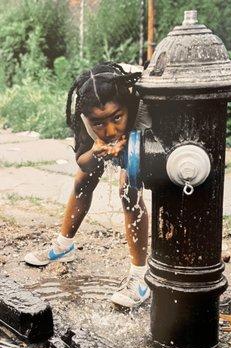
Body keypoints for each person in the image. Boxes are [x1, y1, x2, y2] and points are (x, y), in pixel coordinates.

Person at [24, 62, 151, 308]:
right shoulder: (86, 112)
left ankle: (140, 276)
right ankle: (63, 245)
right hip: (109, 124)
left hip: (149, 128)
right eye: (99, 123)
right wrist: (96, 151)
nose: (110, 130)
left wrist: (130, 149)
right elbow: (83, 162)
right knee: (83, 181)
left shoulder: (140, 103)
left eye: (116, 118)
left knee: (128, 189)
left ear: (126, 107)